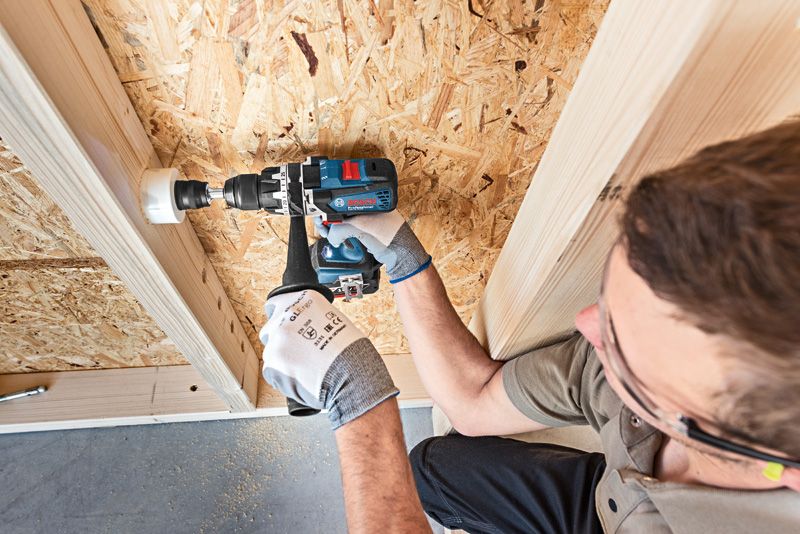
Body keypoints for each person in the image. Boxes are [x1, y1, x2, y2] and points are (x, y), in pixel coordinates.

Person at [258, 121, 800, 533]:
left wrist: (361, 409)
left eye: (626, 345)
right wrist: (405, 259)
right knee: (432, 470)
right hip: (615, 501)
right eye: (610, 299)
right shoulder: (672, 358)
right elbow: (474, 400)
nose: (586, 325)